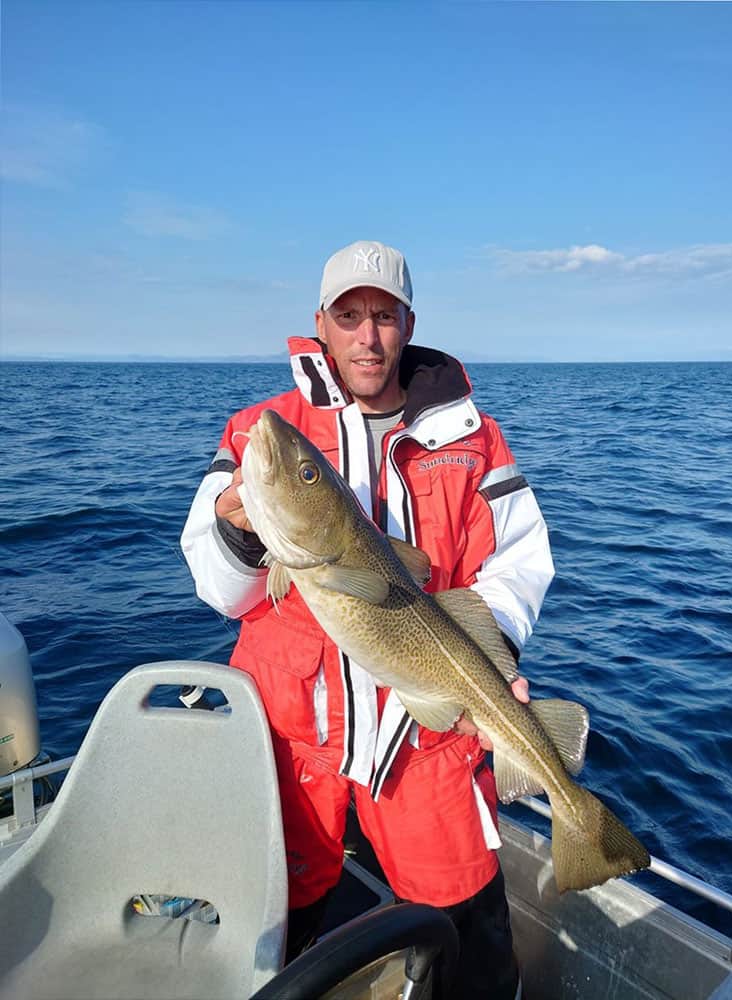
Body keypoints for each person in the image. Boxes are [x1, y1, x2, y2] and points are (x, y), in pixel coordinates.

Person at [181, 240, 554, 998]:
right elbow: (221, 590)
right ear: (320, 323)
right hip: (294, 742)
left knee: (468, 941)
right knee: (278, 931)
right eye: (349, 316)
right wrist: (240, 528)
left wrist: (500, 654)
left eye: (383, 316)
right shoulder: (265, 431)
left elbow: (518, 563)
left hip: (427, 737)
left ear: (408, 322)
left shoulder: (471, 437)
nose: (367, 335)